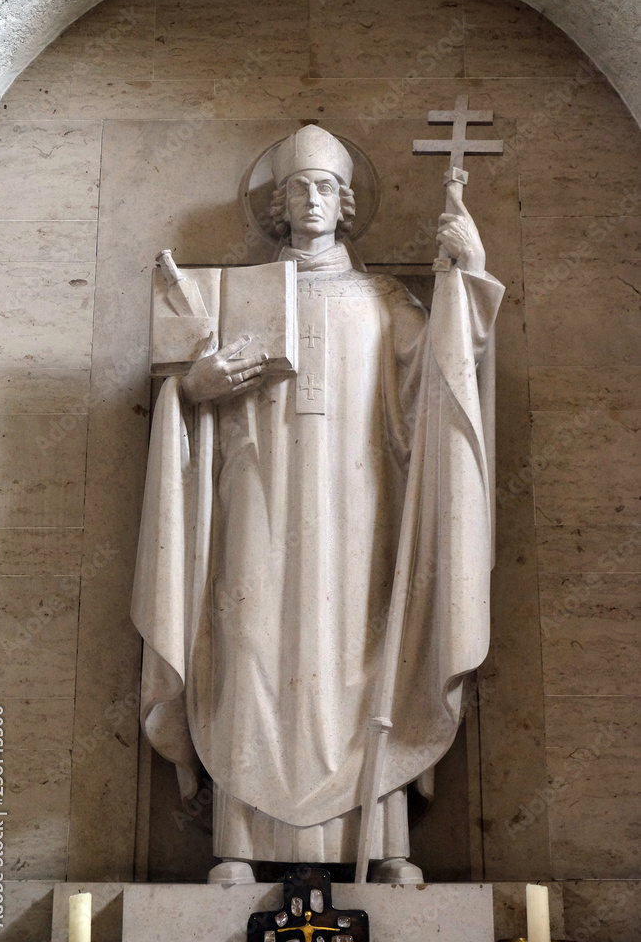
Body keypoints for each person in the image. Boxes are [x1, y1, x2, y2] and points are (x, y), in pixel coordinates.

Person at [131, 125, 504, 884]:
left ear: (345, 202)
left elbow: (441, 383)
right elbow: (184, 393)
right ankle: (238, 843)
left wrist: (466, 274)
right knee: (247, 649)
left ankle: (385, 845)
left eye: (326, 187)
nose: (310, 199)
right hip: (255, 502)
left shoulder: (384, 301)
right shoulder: (233, 298)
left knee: (368, 658)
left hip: (361, 509)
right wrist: (193, 387)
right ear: (276, 204)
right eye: (297, 187)